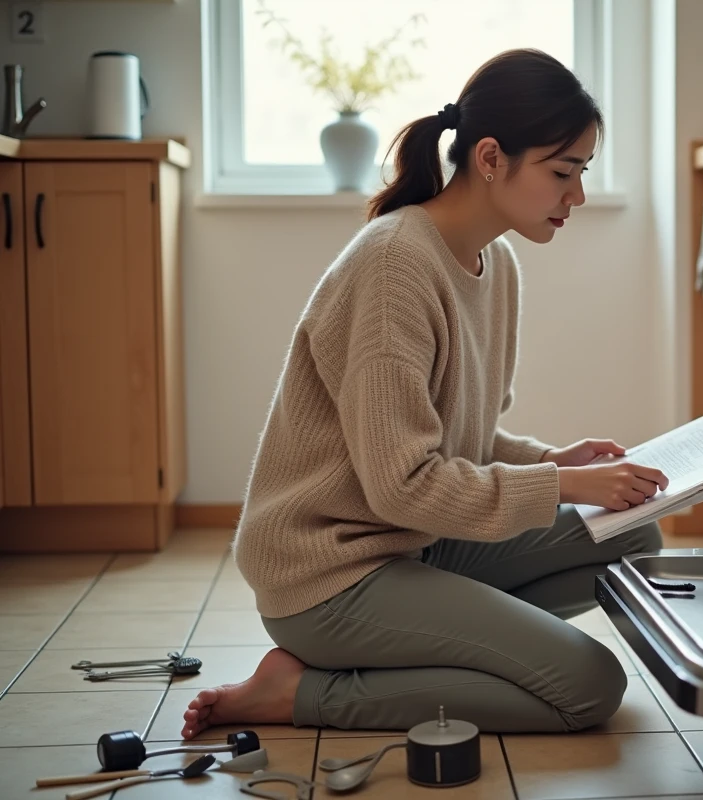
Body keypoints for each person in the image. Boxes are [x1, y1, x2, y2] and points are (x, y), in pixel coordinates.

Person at [180, 49, 671, 740]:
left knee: (634, 533)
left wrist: (553, 461)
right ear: (491, 158)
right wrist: (561, 484)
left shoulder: (496, 262)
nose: (578, 196)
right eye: (562, 172)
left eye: (583, 173)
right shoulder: (394, 266)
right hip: (331, 574)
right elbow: (403, 485)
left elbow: (460, 435)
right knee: (587, 686)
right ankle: (299, 692)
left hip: (417, 544)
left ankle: (446, 645)